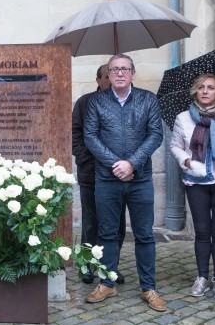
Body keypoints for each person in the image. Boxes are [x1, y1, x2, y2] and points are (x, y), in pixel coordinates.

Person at [83, 54, 166, 312]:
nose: (119, 73)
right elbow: (91, 137)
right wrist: (116, 165)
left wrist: (131, 163)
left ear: (133, 73)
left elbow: (155, 135)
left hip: (140, 179)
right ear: (108, 74)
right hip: (107, 179)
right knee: (107, 233)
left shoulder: (147, 99)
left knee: (144, 234)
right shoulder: (96, 101)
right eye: (114, 70)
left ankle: (148, 288)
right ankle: (107, 282)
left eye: (124, 69)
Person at [169, 74, 215, 301]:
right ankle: (202, 277)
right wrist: (189, 162)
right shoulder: (183, 118)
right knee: (202, 232)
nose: (205, 91)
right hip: (196, 181)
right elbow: (175, 146)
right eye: (201, 87)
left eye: (210, 88)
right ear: (195, 91)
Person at [72, 64, 126, 285]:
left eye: (115, 74)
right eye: (107, 75)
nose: (112, 78)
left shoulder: (123, 103)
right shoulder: (85, 102)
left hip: (117, 175)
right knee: (91, 224)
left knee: (117, 224)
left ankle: (109, 266)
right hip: (91, 174)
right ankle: (87, 265)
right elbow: (75, 134)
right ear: (98, 80)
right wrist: (86, 159)